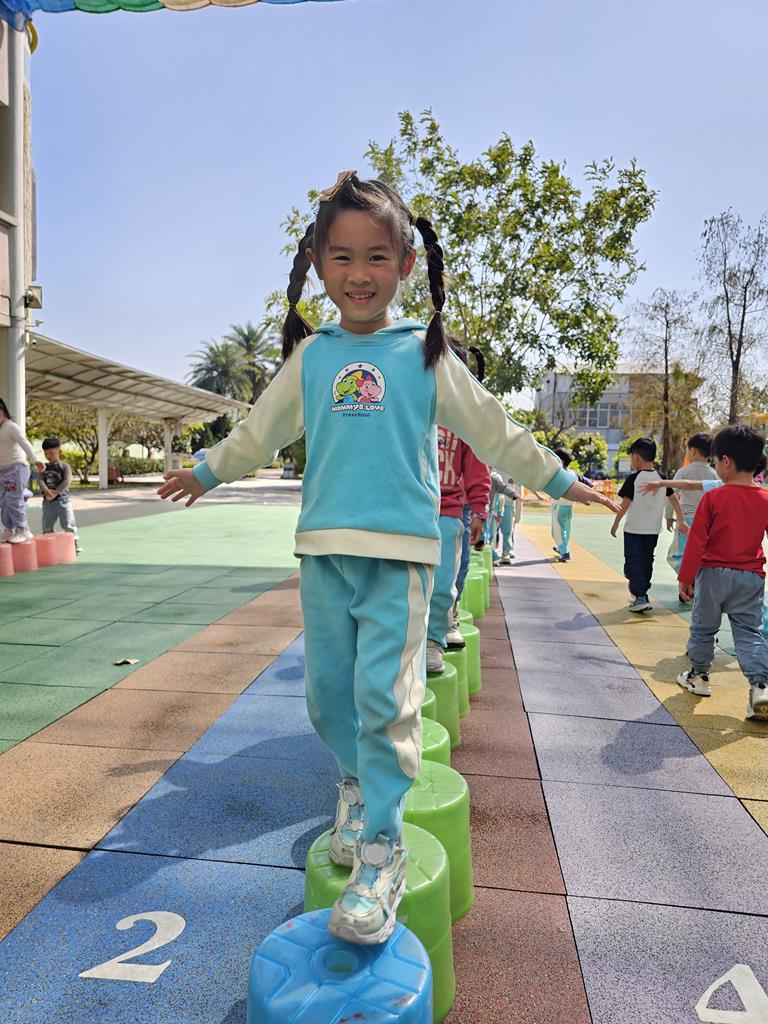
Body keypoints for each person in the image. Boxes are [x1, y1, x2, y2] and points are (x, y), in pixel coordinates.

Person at [157, 171, 617, 946]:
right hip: (324, 552)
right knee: (328, 700)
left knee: (386, 698)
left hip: (400, 556)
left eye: (376, 257)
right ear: (317, 263)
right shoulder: (312, 357)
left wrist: (560, 480)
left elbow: (495, 429)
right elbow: (259, 431)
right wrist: (205, 472)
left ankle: (382, 850)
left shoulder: (423, 355)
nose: (359, 273)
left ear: (406, 263)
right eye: (341, 257)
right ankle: (355, 783)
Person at [676, 426, 768, 719]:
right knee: (749, 633)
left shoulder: (714, 497)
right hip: (750, 577)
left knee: (703, 628)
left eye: (715, 461)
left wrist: (685, 577)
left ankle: (699, 676)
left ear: (726, 461)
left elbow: (697, 540)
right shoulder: (765, 499)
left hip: (712, 574)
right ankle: (760, 687)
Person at [425, 338, 491, 674]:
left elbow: (477, 465)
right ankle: (407, 640)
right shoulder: (415, 403)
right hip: (409, 509)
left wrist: (479, 509)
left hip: (449, 510)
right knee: (401, 583)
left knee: (443, 582)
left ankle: (433, 640)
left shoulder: (464, 417)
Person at [611, 436, 687, 612]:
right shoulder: (661, 478)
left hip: (634, 531)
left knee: (633, 563)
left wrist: (616, 523)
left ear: (636, 457)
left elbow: (625, 504)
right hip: (652, 531)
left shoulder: (634, 479)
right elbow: (674, 499)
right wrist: (681, 519)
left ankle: (639, 596)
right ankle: (642, 593)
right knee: (646, 561)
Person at [664, 432, 717, 575]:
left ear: (692, 450)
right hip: (706, 522)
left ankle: (687, 579)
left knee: (678, 554)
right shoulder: (714, 474)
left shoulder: (684, 472)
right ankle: (696, 579)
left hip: (685, 520)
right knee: (700, 554)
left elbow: (671, 494)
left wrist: (668, 516)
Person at [0, 398, 44, 544]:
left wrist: (35, 459)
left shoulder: (11, 426)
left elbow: (24, 442)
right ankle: (10, 529)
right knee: (3, 502)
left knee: (13, 500)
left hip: (16, 468)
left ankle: (23, 530)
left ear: (1, 412)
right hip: (2, 471)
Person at [40, 437, 81, 554]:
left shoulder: (64, 466)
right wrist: (46, 490)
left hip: (63, 500)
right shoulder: (44, 467)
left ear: (59, 451)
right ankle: (48, 546)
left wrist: (56, 492)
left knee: (68, 523)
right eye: (46, 453)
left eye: (51, 453)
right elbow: (40, 480)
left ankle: (73, 543)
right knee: (47, 524)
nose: (48, 456)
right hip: (48, 501)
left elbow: (67, 481)